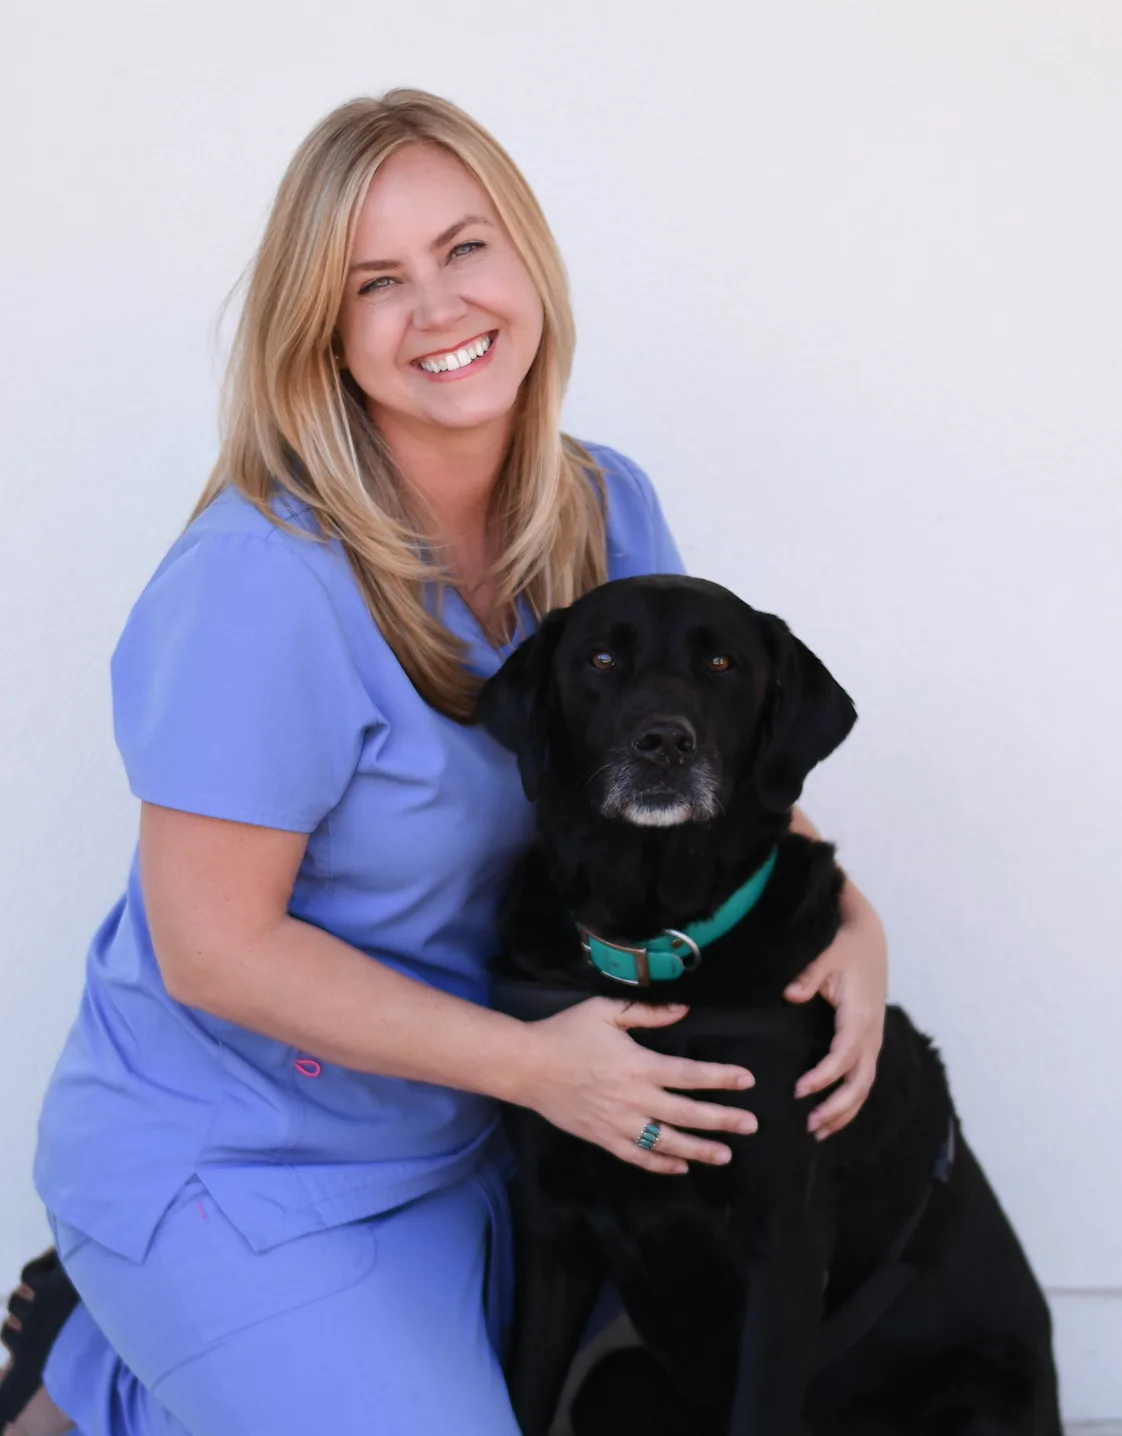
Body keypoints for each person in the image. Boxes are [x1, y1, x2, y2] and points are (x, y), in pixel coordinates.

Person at [0, 90, 888, 1436]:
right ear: (323, 333)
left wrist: (851, 917)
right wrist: (537, 1068)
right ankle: (133, 1311)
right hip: (244, 1152)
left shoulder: (603, 507)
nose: (437, 309)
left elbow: (714, 768)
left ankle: (124, 1362)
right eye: (375, 283)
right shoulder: (259, 582)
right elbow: (212, 952)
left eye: (464, 249)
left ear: (525, 260)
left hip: (483, 1129)